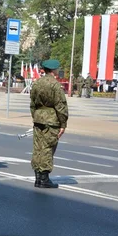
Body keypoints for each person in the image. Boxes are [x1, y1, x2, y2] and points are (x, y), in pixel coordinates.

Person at [30, 59, 68, 189]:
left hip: (38, 118)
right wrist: (63, 124)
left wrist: (35, 116)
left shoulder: (37, 83)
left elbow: (32, 103)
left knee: (38, 148)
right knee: (48, 148)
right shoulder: (55, 85)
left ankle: (37, 177)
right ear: (53, 70)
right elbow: (61, 106)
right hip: (51, 120)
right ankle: (44, 178)